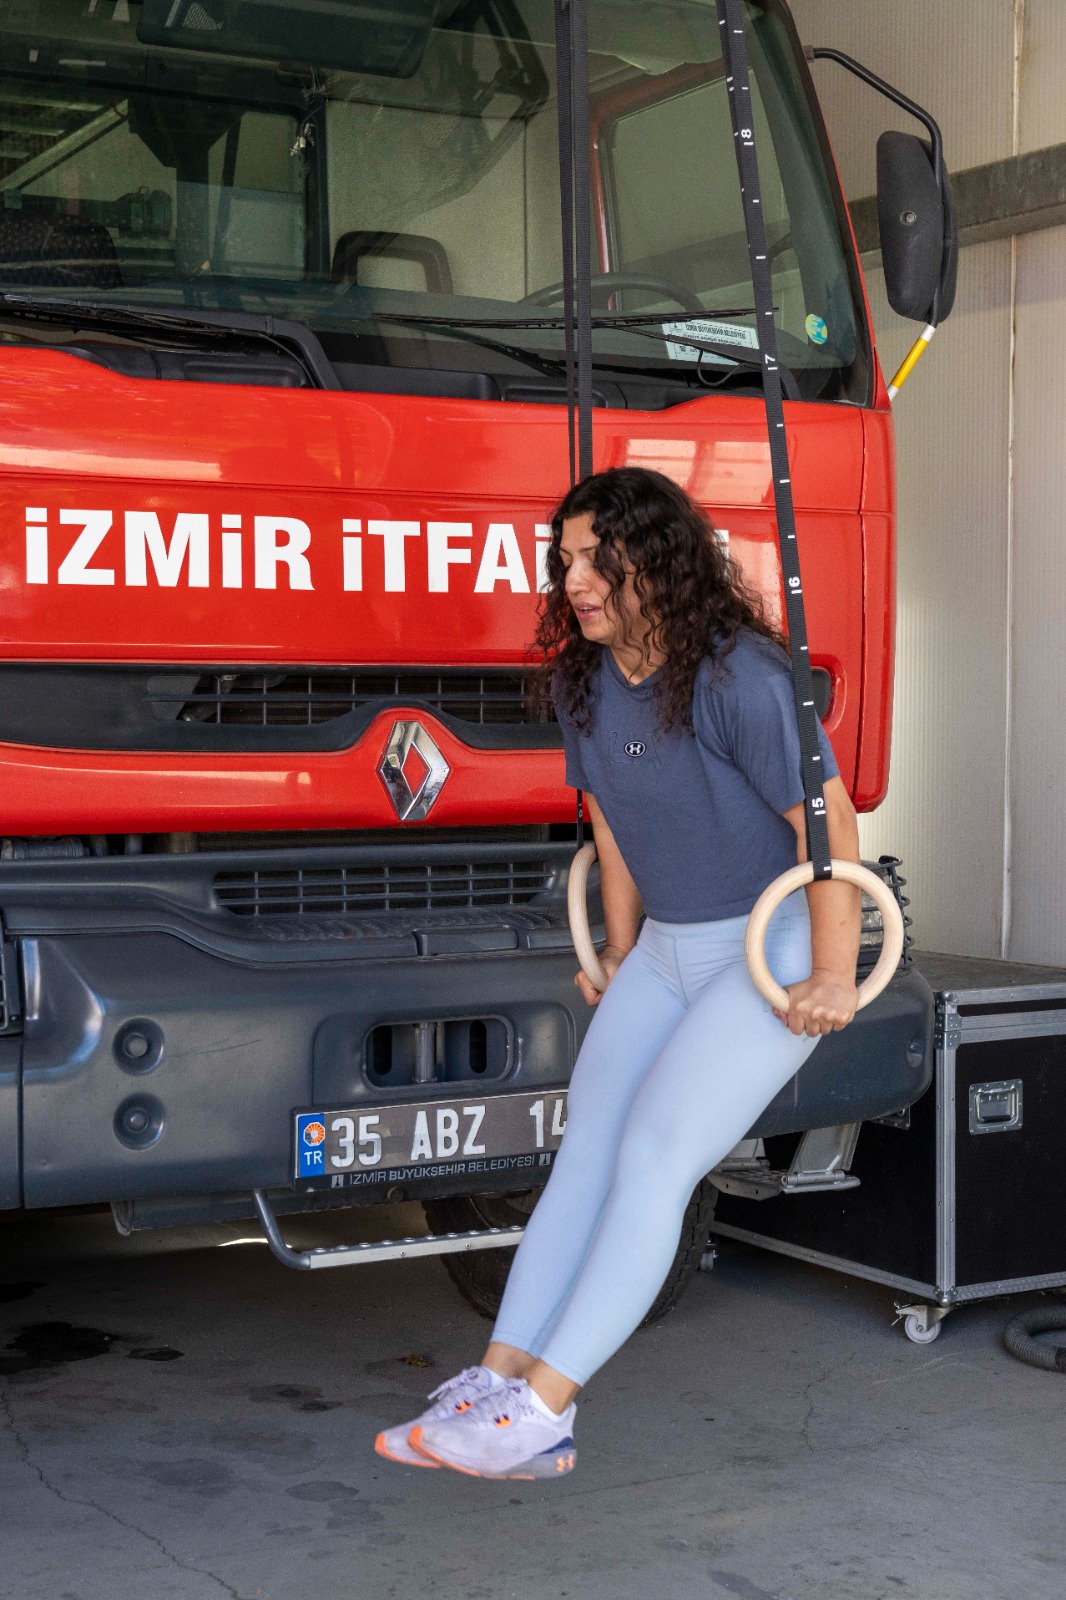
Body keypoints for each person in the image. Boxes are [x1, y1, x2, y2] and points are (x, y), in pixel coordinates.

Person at [375, 466, 861, 1480]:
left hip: (766, 948)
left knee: (652, 1158)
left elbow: (828, 827)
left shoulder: (739, 677)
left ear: (660, 561)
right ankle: (498, 1379)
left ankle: (543, 1411)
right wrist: (619, 944)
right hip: (670, 948)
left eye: (599, 559)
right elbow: (613, 821)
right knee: (585, 1153)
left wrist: (830, 971)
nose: (576, 580)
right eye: (565, 559)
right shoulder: (583, 681)